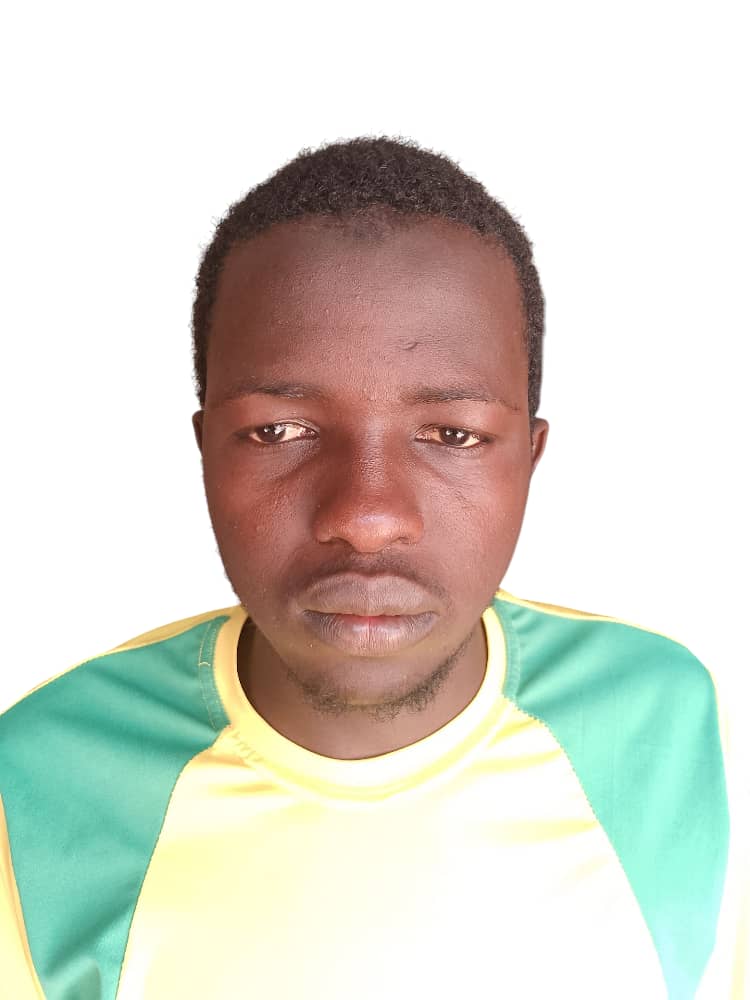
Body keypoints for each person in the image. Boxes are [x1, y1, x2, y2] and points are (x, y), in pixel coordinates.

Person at [0, 138, 745, 1000]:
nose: (365, 515)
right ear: (207, 451)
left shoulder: (692, 738)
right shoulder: (35, 787)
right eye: (279, 431)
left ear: (529, 459)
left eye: (452, 434)